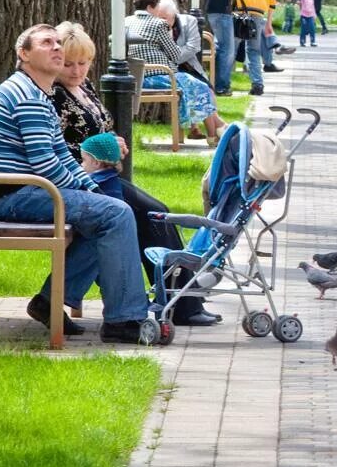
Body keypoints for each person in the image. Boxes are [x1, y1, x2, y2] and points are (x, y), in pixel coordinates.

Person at [0, 25, 150, 342]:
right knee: (117, 215)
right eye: (46, 43)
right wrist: (92, 193)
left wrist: (92, 190)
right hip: (13, 194)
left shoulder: (39, 95)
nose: (57, 48)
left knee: (108, 216)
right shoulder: (26, 96)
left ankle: (50, 302)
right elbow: (45, 165)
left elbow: (63, 158)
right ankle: (124, 320)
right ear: (24, 54)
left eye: (58, 42)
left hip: (27, 190)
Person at [50, 22, 221, 327]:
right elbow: (58, 150)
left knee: (157, 213)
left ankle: (181, 296)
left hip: (103, 176)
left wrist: (114, 144)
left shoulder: (84, 86)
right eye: (68, 64)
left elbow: (100, 127)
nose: (76, 70)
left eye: (83, 63)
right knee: (150, 214)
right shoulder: (54, 95)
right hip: (82, 179)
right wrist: (98, 152)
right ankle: (179, 300)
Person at [126, 0, 226, 142]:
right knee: (202, 87)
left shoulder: (127, 21)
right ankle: (214, 133)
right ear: (150, 6)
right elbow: (175, 54)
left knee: (196, 85)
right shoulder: (158, 24)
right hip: (160, 75)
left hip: (138, 75)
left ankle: (213, 131)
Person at [232, 0, 281, 95]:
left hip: (239, 13)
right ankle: (258, 84)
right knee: (254, 50)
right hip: (258, 14)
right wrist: (269, 22)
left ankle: (224, 83)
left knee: (231, 49)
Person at [199, 0, 242, 96]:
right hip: (222, 11)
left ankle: (214, 81)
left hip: (210, 11)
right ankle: (222, 86)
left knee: (218, 47)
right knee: (227, 50)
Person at [79, 133, 124, 200]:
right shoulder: (111, 177)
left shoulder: (96, 183)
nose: (81, 164)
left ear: (96, 163)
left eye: (83, 160)